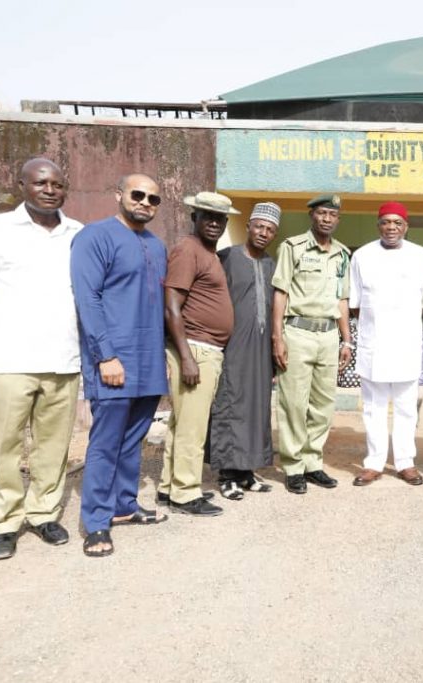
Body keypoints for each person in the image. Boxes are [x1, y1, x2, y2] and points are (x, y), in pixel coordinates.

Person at [0, 158, 83, 560]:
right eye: (41, 182)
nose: (50, 190)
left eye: (58, 184)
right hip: (8, 359)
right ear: (22, 185)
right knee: (6, 446)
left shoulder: (77, 234)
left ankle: (44, 512)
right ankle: (6, 523)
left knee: (53, 446)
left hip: (63, 359)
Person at [71, 174, 170, 557]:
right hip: (114, 359)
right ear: (119, 195)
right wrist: (105, 356)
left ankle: (124, 506)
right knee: (106, 441)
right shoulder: (95, 238)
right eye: (138, 194)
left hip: (148, 360)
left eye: (153, 198)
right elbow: (87, 299)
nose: (146, 202)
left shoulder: (156, 245)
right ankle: (96, 522)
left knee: (133, 439)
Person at [158, 192, 237, 517]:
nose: (214, 223)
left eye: (220, 218)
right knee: (193, 426)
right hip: (196, 349)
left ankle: (169, 486)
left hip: (204, 349)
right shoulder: (188, 250)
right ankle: (186, 492)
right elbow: (171, 306)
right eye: (208, 216)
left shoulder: (208, 253)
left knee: (182, 423)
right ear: (195, 217)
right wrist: (187, 356)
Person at [272, 195, 353, 494]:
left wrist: (347, 340)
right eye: (322, 213)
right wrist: (277, 336)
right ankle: (293, 466)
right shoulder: (292, 248)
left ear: (338, 219)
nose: (327, 219)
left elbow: (342, 300)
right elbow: (280, 292)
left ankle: (313, 462)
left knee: (323, 404)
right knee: (294, 402)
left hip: (329, 336)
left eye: (333, 214)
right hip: (298, 332)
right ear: (312, 216)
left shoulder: (343, 254)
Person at [349, 202, 423, 486]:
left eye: (398, 222)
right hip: (374, 345)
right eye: (386, 222)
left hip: (407, 344)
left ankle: (405, 462)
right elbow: (355, 303)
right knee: (373, 407)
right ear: (378, 226)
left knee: (407, 407)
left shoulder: (421, 256)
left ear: (406, 227)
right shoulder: (362, 256)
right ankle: (373, 463)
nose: (392, 227)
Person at [207, 202, 280, 500]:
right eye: (259, 226)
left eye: (270, 230)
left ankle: (247, 471)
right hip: (233, 344)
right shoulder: (226, 257)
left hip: (262, 349)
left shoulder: (272, 265)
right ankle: (226, 473)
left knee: (257, 408)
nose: (263, 233)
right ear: (249, 226)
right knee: (229, 405)